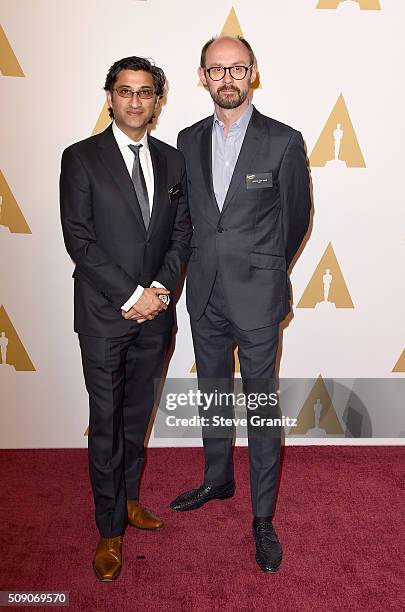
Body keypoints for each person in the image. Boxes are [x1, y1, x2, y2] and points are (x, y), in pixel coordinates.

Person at [170, 36, 311, 573]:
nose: (226, 77)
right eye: (215, 69)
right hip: (203, 291)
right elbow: (185, 219)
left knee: (260, 406)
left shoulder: (283, 141)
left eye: (236, 68)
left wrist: (264, 267)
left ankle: (262, 517)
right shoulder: (185, 141)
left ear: (252, 73)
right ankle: (217, 478)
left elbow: (295, 219)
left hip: (257, 295)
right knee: (211, 393)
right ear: (202, 76)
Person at [60, 56, 191, 581]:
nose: (135, 101)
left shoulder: (174, 161)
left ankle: (130, 497)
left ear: (158, 101)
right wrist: (131, 294)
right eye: (124, 91)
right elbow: (80, 241)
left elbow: (182, 234)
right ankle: (109, 527)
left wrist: (158, 290)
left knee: (137, 420)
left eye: (145, 92)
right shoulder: (81, 158)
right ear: (109, 97)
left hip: (156, 314)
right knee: (107, 425)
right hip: (104, 315)